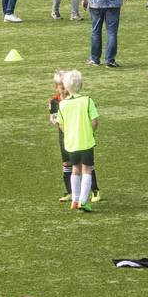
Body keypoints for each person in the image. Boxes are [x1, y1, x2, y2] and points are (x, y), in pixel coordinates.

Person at [48, 71, 100, 205]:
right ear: (81, 85)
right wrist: (90, 132)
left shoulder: (63, 104)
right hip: (86, 141)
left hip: (71, 142)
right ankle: (83, 201)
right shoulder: (87, 100)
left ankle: (75, 200)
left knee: (75, 169)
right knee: (87, 168)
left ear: (66, 85)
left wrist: (70, 133)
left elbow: (60, 123)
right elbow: (95, 121)